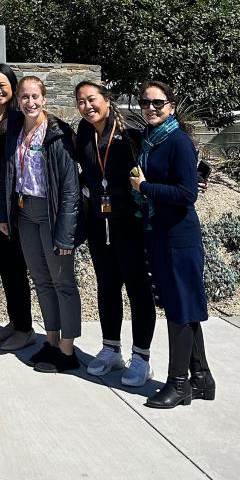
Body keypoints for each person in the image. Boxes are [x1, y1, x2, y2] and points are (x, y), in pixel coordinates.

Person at [130, 78, 215, 408]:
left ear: (171, 107)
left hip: (179, 236)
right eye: (145, 102)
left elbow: (187, 194)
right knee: (185, 306)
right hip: (160, 234)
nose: (150, 108)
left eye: (157, 103)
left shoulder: (178, 141)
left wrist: (145, 189)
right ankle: (202, 377)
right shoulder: (152, 140)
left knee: (180, 310)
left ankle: (178, 384)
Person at [75, 80, 155, 386]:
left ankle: (141, 358)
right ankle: (111, 349)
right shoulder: (83, 133)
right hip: (98, 224)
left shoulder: (130, 136)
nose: (87, 106)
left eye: (92, 99)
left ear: (107, 100)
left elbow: (154, 166)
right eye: (81, 101)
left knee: (137, 290)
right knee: (107, 287)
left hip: (128, 225)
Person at [0, 74, 81, 373]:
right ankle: (51, 341)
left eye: (35, 96)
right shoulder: (16, 130)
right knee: (42, 281)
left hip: (52, 214)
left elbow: (70, 187)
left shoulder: (58, 133)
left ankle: (68, 352)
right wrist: (5, 215)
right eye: (24, 97)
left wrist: (65, 233)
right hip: (25, 212)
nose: (30, 102)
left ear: (43, 98)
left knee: (63, 283)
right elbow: (9, 174)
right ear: (17, 101)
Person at [0, 65, 35, 352]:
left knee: (15, 265)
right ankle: (15, 321)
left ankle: (25, 328)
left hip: (10, 201)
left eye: (2, 85)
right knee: (4, 265)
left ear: (12, 86)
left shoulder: (18, 117)